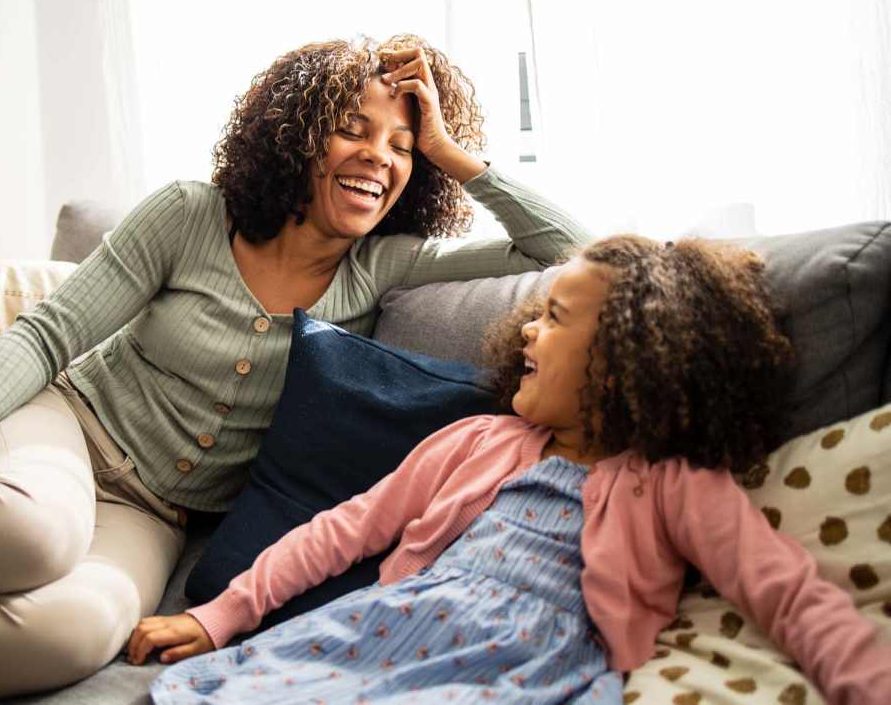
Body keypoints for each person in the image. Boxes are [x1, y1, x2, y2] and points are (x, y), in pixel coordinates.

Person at [0, 35, 591, 702]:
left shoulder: (381, 268)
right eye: (352, 130)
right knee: (30, 535)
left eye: (398, 146)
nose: (377, 157)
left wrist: (447, 149)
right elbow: (50, 334)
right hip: (64, 428)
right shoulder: (192, 215)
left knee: (76, 630)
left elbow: (573, 249)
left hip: (155, 511)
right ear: (298, 135)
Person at [131, 236, 891, 704]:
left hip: (536, 670)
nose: (528, 327)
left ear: (629, 358)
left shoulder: (669, 480)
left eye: (555, 318)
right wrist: (220, 614)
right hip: (392, 629)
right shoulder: (477, 441)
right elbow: (344, 531)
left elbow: (783, 588)